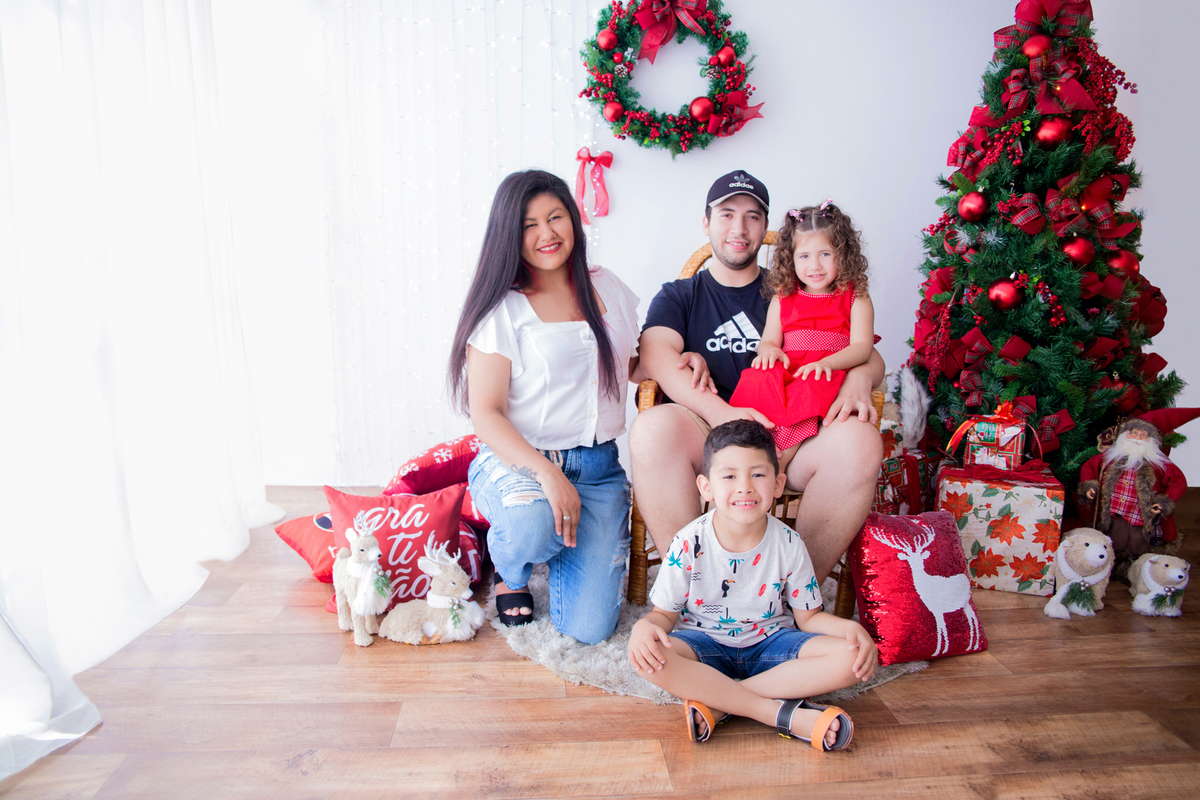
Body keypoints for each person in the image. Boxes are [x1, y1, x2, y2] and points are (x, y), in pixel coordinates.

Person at [630, 171, 884, 581]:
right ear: (706, 221)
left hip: (795, 434)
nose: (739, 227)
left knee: (860, 442)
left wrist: (859, 376)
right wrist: (722, 415)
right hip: (707, 431)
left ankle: (792, 594)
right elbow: (655, 358)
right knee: (651, 427)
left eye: (752, 216)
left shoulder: (798, 284)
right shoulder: (680, 295)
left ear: (767, 228)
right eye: (726, 214)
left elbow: (861, 350)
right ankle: (692, 589)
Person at [447, 169, 640, 644]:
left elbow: (628, 362)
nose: (547, 234)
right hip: (520, 462)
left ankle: (556, 540)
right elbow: (486, 412)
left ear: (573, 220)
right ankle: (514, 567)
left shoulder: (607, 286)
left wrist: (682, 358)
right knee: (532, 523)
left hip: (598, 470)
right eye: (529, 225)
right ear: (510, 236)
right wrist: (546, 475)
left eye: (555, 217)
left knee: (590, 632)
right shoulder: (504, 309)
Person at [627, 420, 877, 750]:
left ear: (778, 483)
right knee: (648, 655)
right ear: (706, 487)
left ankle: (720, 704)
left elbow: (809, 619)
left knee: (851, 657)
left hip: (772, 643)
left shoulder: (789, 543)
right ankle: (778, 713)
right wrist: (643, 629)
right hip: (704, 643)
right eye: (729, 476)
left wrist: (849, 631)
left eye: (757, 474)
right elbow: (663, 617)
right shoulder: (688, 542)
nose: (744, 487)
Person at [729, 201, 876, 475]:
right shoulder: (784, 297)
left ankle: (776, 465)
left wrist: (828, 364)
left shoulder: (855, 296)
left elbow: (862, 348)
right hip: (789, 368)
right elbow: (768, 341)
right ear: (791, 259)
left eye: (825, 254)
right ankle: (742, 449)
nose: (815, 265)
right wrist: (770, 350)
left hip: (823, 371)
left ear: (843, 255)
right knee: (759, 377)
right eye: (804, 256)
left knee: (808, 388)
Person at [1078, 410, 1195, 582]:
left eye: (1143, 435)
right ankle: (1107, 565)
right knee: (1112, 541)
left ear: (1152, 441)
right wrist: (1088, 486)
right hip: (1114, 516)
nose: (1138, 438)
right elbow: (1089, 467)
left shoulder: (1160, 465)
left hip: (1141, 519)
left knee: (1139, 546)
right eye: (1134, 433)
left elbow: (1179, 482)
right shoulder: (1109, 459)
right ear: (1125, 435)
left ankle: (1136, 569)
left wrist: (1164, 502)